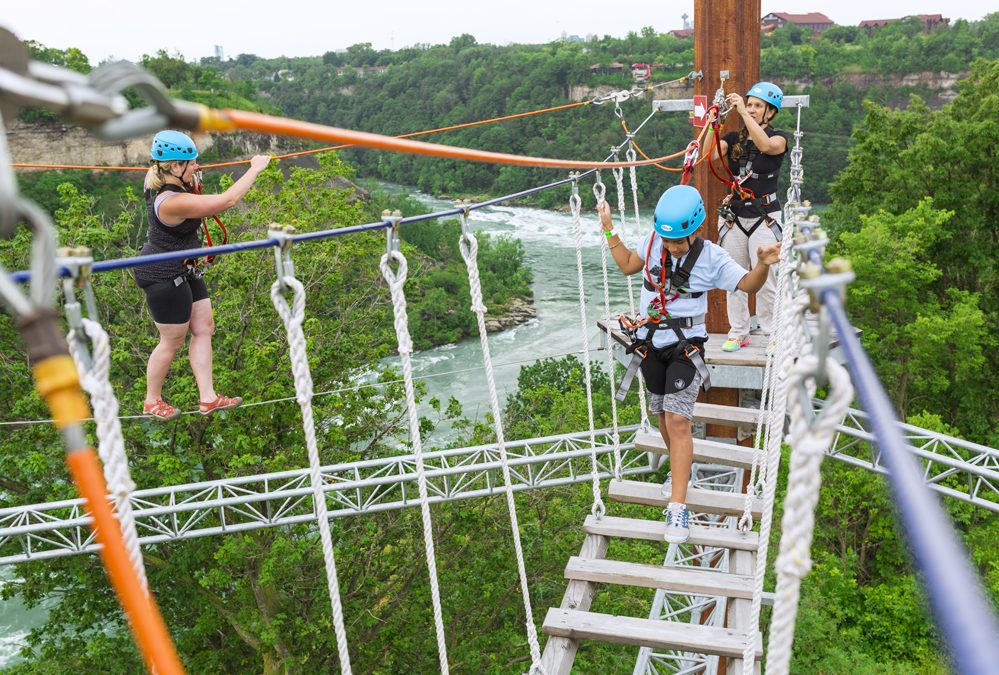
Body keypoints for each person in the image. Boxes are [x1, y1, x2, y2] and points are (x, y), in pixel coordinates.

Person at [598, 185, 780, 543]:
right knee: (663, 417)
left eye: (679, 241)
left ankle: (678, 510)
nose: (672, 247)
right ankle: (681, 472)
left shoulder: (711, 257)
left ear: (695, 230)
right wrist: (608, 229)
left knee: (679, 420)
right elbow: (627, 266)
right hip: (650, 343)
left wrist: (761, 263)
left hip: (685, 346)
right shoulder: (654, 242)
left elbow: (747, 284)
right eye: (668, 241)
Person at [135, 130, 271, 421]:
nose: (197, 166)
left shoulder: (170, 183)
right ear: (174, 167)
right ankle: (152, 400)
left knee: (204, 327)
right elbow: (226, 201)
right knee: (171, 340)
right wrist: (255, 168)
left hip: (184, 268)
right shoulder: (170, 201)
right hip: (162, 273)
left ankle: (207, 398)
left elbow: (189, 188)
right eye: (192, 162)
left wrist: (192, 180)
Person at [713, 81, 789, 352]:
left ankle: (771, 333)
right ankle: (739, 331)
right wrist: (714, 123)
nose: (753, 109)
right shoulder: (734, 139)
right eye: (750, 104)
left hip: (765, 214)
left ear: (770, 112)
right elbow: (709, 155)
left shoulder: (780, 136)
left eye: (758, 106)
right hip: (735, 214)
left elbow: (767, 146)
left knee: (766, 277)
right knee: (734, 277)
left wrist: (743, 113)